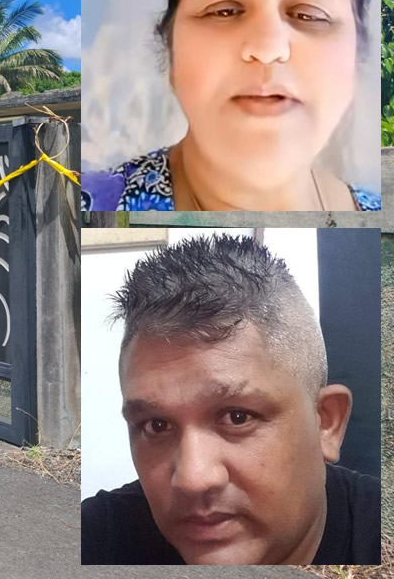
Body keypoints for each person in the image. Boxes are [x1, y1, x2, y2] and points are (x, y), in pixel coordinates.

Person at [81, 235, 379, 565]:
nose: (193, 479)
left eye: (237, 417)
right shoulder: (97, 538)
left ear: (326, 423)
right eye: (157, 425)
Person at [81, 0, 379, 211]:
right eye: (224, 10)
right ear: (171, 45)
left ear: (357, 53)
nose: (267, 48)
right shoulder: (93, 206)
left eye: (309, 14)